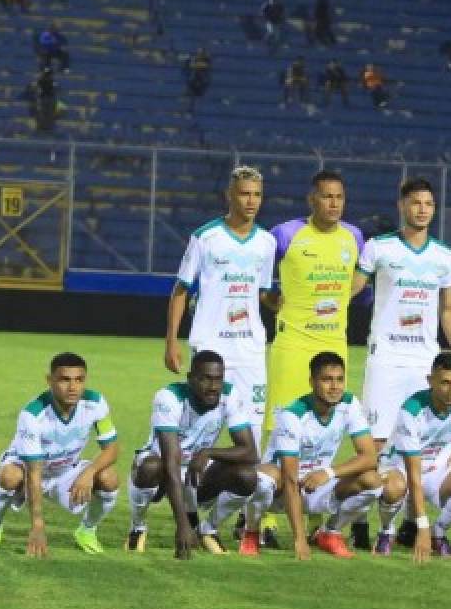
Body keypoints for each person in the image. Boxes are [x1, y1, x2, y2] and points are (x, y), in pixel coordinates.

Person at [350, 176, 451, 548]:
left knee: (416, 440)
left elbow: (448, 308)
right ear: (402, 205)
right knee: (377, 442)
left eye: (428, 204)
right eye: (415, 202)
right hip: (385, 358)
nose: (422, 209)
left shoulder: (443, 256)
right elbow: (352, 287)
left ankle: (409, 522)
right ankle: (359, 518)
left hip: (423, 362)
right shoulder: (379, 248)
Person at [261, 172, 364, 545]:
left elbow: (360, 279)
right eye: (326, 196)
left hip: (334, 345)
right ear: (312, 199)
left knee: (328, 428)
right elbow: (259, 273)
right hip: (292, 347)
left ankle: (319, 512)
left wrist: (343, 301)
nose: (334, 203)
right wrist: (271, 300)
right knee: (278, 428)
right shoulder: (286, 234)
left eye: (339, 196)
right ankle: (264, 518)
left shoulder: (354, 237)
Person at [165, 166, 277, 450]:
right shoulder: (206, 237)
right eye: (244, 194)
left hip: (250, 349)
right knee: (198, 431)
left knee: (251, 434)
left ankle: (246, 492)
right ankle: (187, 486)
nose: (251, 201)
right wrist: (171, 342)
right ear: (229, 195)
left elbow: (261, 293)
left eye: (257, 195)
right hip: (211, 346)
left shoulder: (267, 242)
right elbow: (180, 291)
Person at [0, 352, 120, 556]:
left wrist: (89, 472)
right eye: (64, 380)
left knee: (109, 478)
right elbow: (34, 471)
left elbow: (112, 448)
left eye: (79, 380)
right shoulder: (33, 415)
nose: (73, 387)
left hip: (64, 472)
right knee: (9, 476)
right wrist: (37, 525)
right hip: (27, 470)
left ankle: (87, 531)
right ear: (49, 380)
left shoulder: (95, 403)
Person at [243, 352, 381, 559]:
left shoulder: (349, 404)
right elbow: (290, 479)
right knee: (262, 479)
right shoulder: (292, 415)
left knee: (373, 481)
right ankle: (251, 531)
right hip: (279, 491)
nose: (334, 387)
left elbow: (370, 457)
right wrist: (299, 539)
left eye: (339, 379)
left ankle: (330, 532)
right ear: (312, 382)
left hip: (316, 485)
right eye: (327, 380)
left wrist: (328, 472)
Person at [126, 350, 258, 557]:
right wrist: (183, 524)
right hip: (162, 469)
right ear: (190, 379)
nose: (213, 387)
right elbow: (171, 463)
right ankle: (137, 528)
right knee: (151, 467)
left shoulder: (229, 395)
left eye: (218, 379)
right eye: (205, 379)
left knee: (248, 476)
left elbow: (250, 452)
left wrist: (208, 453)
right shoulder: (169, 398)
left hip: (197, 471)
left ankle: (208, 530)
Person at [375, 352, 451, 559]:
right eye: (444, 383)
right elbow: (414, 475)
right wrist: (421, 527)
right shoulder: (412, 411)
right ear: (430, 380)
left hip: (438, 466)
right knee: (394, 488)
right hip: (399, 467)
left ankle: (439, 533)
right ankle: (386, 531)